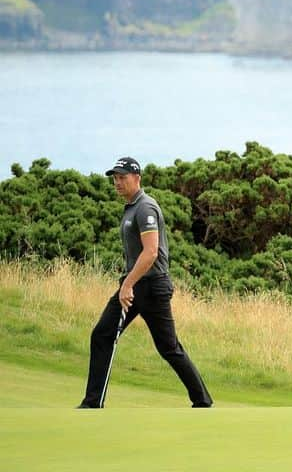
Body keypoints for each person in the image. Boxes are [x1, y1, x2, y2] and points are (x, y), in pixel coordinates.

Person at [78, 156, 213, 408]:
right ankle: (92, 402)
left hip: (151, 286)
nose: (117, 182)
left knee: (168, 347)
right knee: (103, 334)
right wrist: (129, 283)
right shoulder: (130, 207)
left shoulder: (145, 207)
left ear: (136, 178)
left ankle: (202, 400)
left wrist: (127, 285)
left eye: (122, 178)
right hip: (138, 284)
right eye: (115, 178)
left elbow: (150, 253)